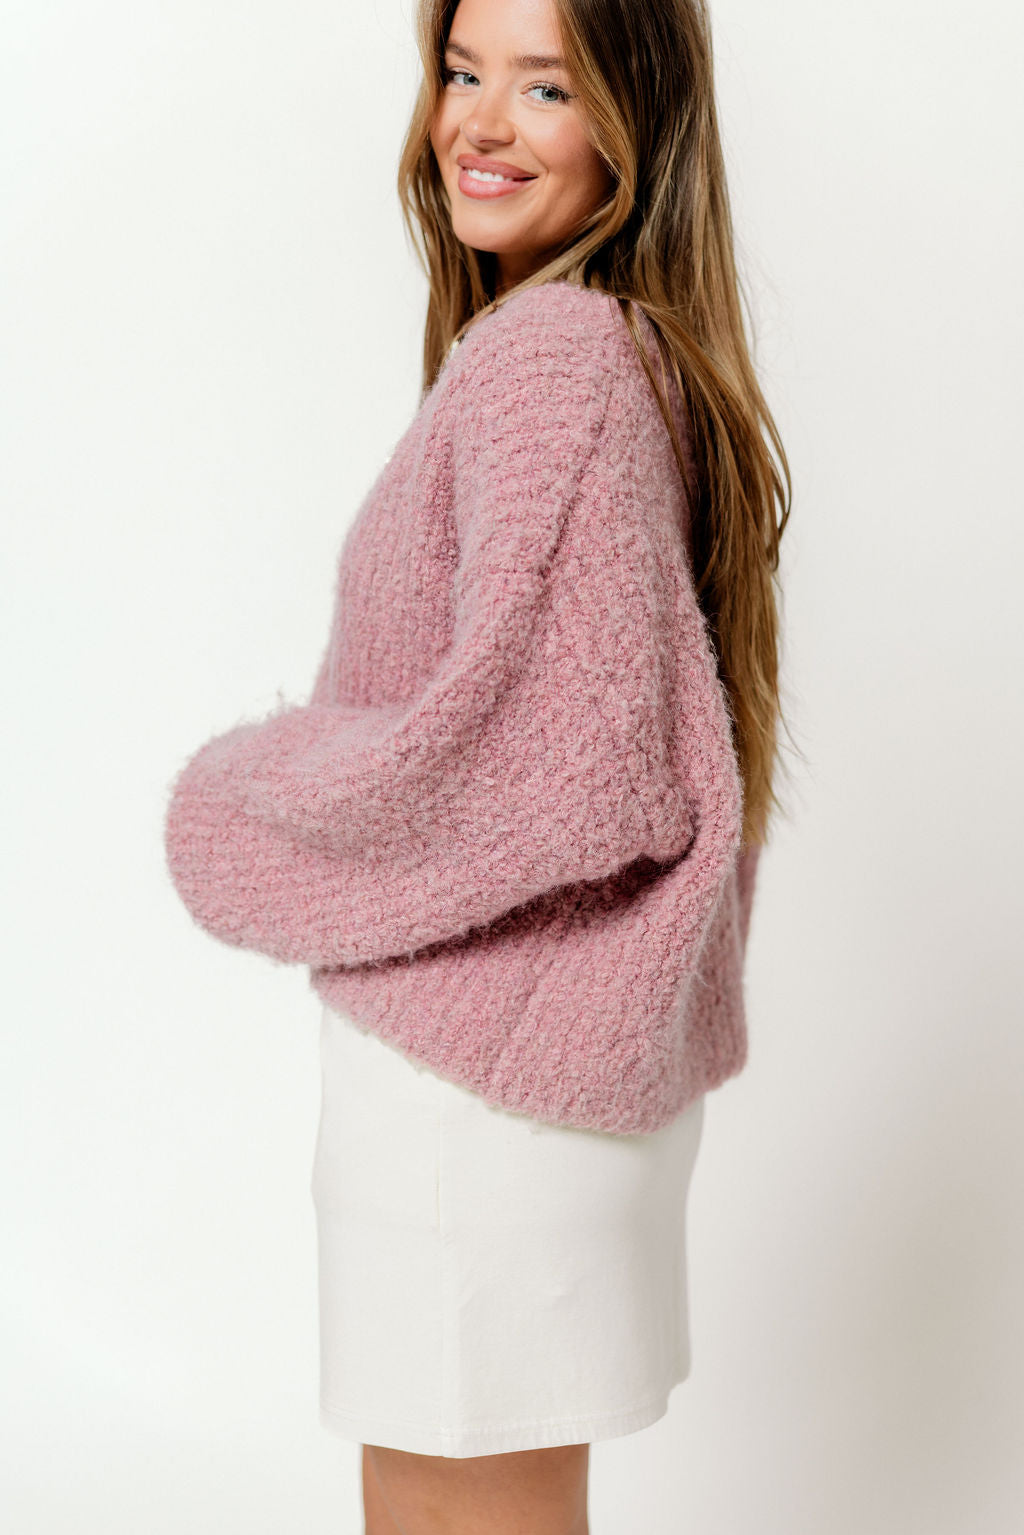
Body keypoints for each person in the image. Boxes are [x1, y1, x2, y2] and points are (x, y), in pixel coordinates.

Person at [162, 0, 793, 1530]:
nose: (479, 123)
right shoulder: (600, 354)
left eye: (545, 87)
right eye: (461, 71)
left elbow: (569, 765)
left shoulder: (556, 359)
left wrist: (242, 802)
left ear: (636, 124)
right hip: (508, 1080)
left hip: (482, 1095)